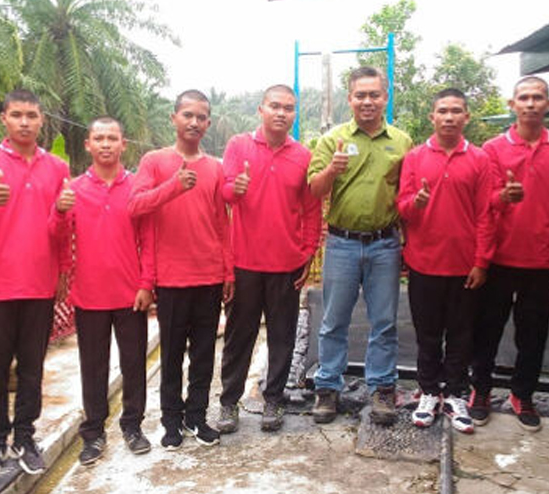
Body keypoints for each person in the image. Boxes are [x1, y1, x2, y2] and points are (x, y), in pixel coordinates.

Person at [0, 89, 73, 476]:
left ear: (42, 121)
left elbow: (62, 227)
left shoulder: (56, 168)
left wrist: (62, 271)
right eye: (17, 114)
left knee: (32, 370)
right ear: (4, 119)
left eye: (32, 115)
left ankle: (25, 436)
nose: (25, 121)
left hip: (39, 286)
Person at [307, 66, 413, 426]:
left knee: (384, 322)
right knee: (333, 320)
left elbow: (407, 197)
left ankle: (382, 389)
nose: (367, 101)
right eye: (360, 95)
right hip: (342, 244)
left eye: (374, 94)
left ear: (385, 96)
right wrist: (331, 172)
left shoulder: (401, 142)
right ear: (349, 98)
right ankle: (327, 388)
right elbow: (314, 191)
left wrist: (407, 247)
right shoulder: (331, 140)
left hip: (385, 245)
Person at [128, 89, 232, 449]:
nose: (194, 122)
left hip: (209, 276)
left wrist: (228, 271)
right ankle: (170, 421)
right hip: (171, 278)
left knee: (204, 354)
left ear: (208, 123)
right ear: (174, 118)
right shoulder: (155, 161)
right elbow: (135, 206)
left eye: (201, 117)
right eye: (188, 115)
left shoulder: (215, 168)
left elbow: (222, 223)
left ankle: (197, 418)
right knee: (171, 355)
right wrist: (172, 187)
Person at [470, 76, 549, 432]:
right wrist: (504, 197)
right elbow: (483, 201)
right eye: (524, 98)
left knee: (533, 334)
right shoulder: (493, 148)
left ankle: (522, 393)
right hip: (498, 257)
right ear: (512, 105)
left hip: (541, 257)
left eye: (538, 98)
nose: (530, 103)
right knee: (487, 330)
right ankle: (480, 390)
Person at [216, 85, 322, 433]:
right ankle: (229, 403)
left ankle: (273, 399)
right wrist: (237, 188)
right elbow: (225, 195)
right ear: (260, 109)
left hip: (287, 264)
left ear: (294, 114)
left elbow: (311, 209)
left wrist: (307, 251)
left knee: (283, 336)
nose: (281, 113)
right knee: (238, 336)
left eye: (288, 108)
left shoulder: (303, 156)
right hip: (245, 263)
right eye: (274, 106)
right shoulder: (238, 146)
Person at [397, 88, 494, 434]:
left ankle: (454, 393)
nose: (449, 117)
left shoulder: (480, 159)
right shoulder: (415, 157)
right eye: (443, 111)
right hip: (424, 262)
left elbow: (486, 214)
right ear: (432, 117)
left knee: (461, 335)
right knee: (427, 334)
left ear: (466, 117)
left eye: (456, 111)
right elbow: (402, 207)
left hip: (465, 266)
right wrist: (416, 203)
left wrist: (482, 260)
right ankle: (428, 391)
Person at [61, 117, 155, 464]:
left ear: (123, 144)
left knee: (134, 365)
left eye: (111, 138)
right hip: (88, 295)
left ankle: (132, 426)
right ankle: (94, 433)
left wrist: (147, 283)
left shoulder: (137, 188)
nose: (105, 144)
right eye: (98, 138)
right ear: (88, 144)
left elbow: (149, 240)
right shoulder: (74, 189)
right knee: (93, 367)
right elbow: (59, 237)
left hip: (131, 294)